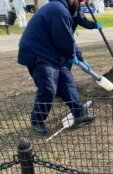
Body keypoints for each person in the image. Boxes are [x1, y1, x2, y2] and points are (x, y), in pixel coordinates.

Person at [18, 0, 96, 135]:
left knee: (67, 82)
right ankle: (37, 121)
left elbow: (68, 38)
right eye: (79, 1)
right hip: (37, 53)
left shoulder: (62, 10)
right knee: (48, 88)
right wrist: (71, 55)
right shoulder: (58, 10)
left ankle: (79, 113)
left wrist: (80, 58)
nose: (79, 3)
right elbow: (64, 41)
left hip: (52, 53)